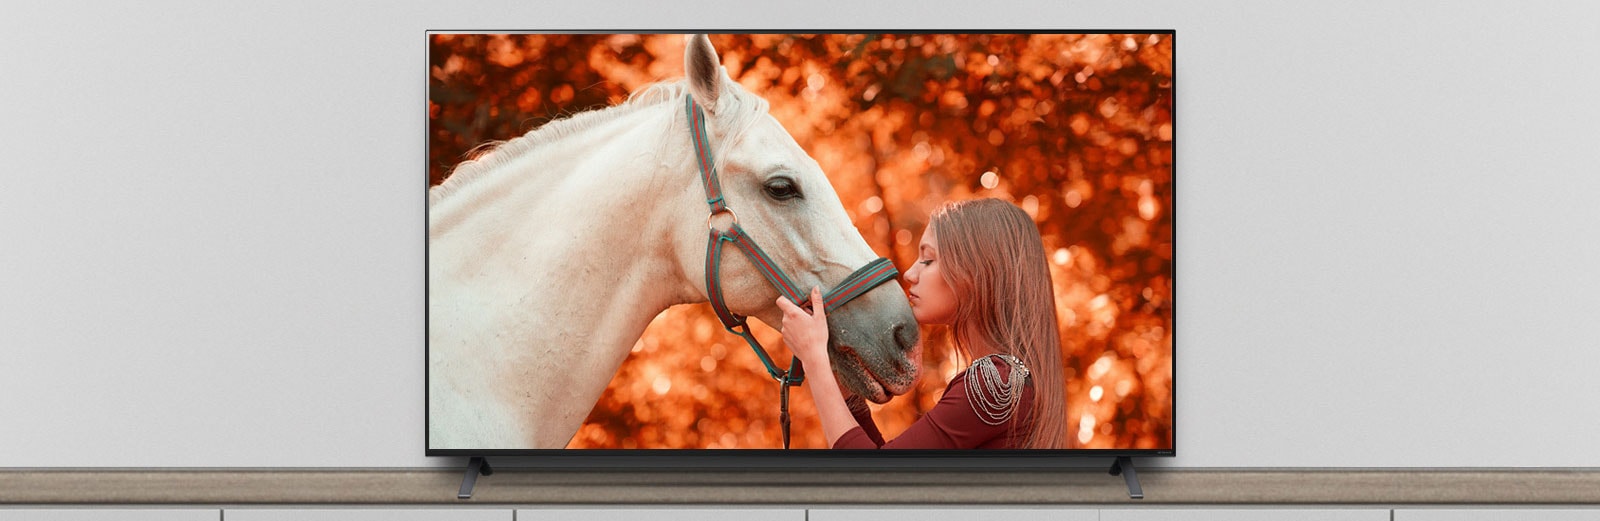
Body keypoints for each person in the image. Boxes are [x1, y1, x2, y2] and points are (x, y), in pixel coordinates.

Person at [778, 197, 1069, 449]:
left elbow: (874, 480)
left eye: (928, 260)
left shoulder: (994, 384)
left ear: (976, 273)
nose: (909, 274)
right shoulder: (1010, 379)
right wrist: (840, 380)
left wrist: (814, 358)